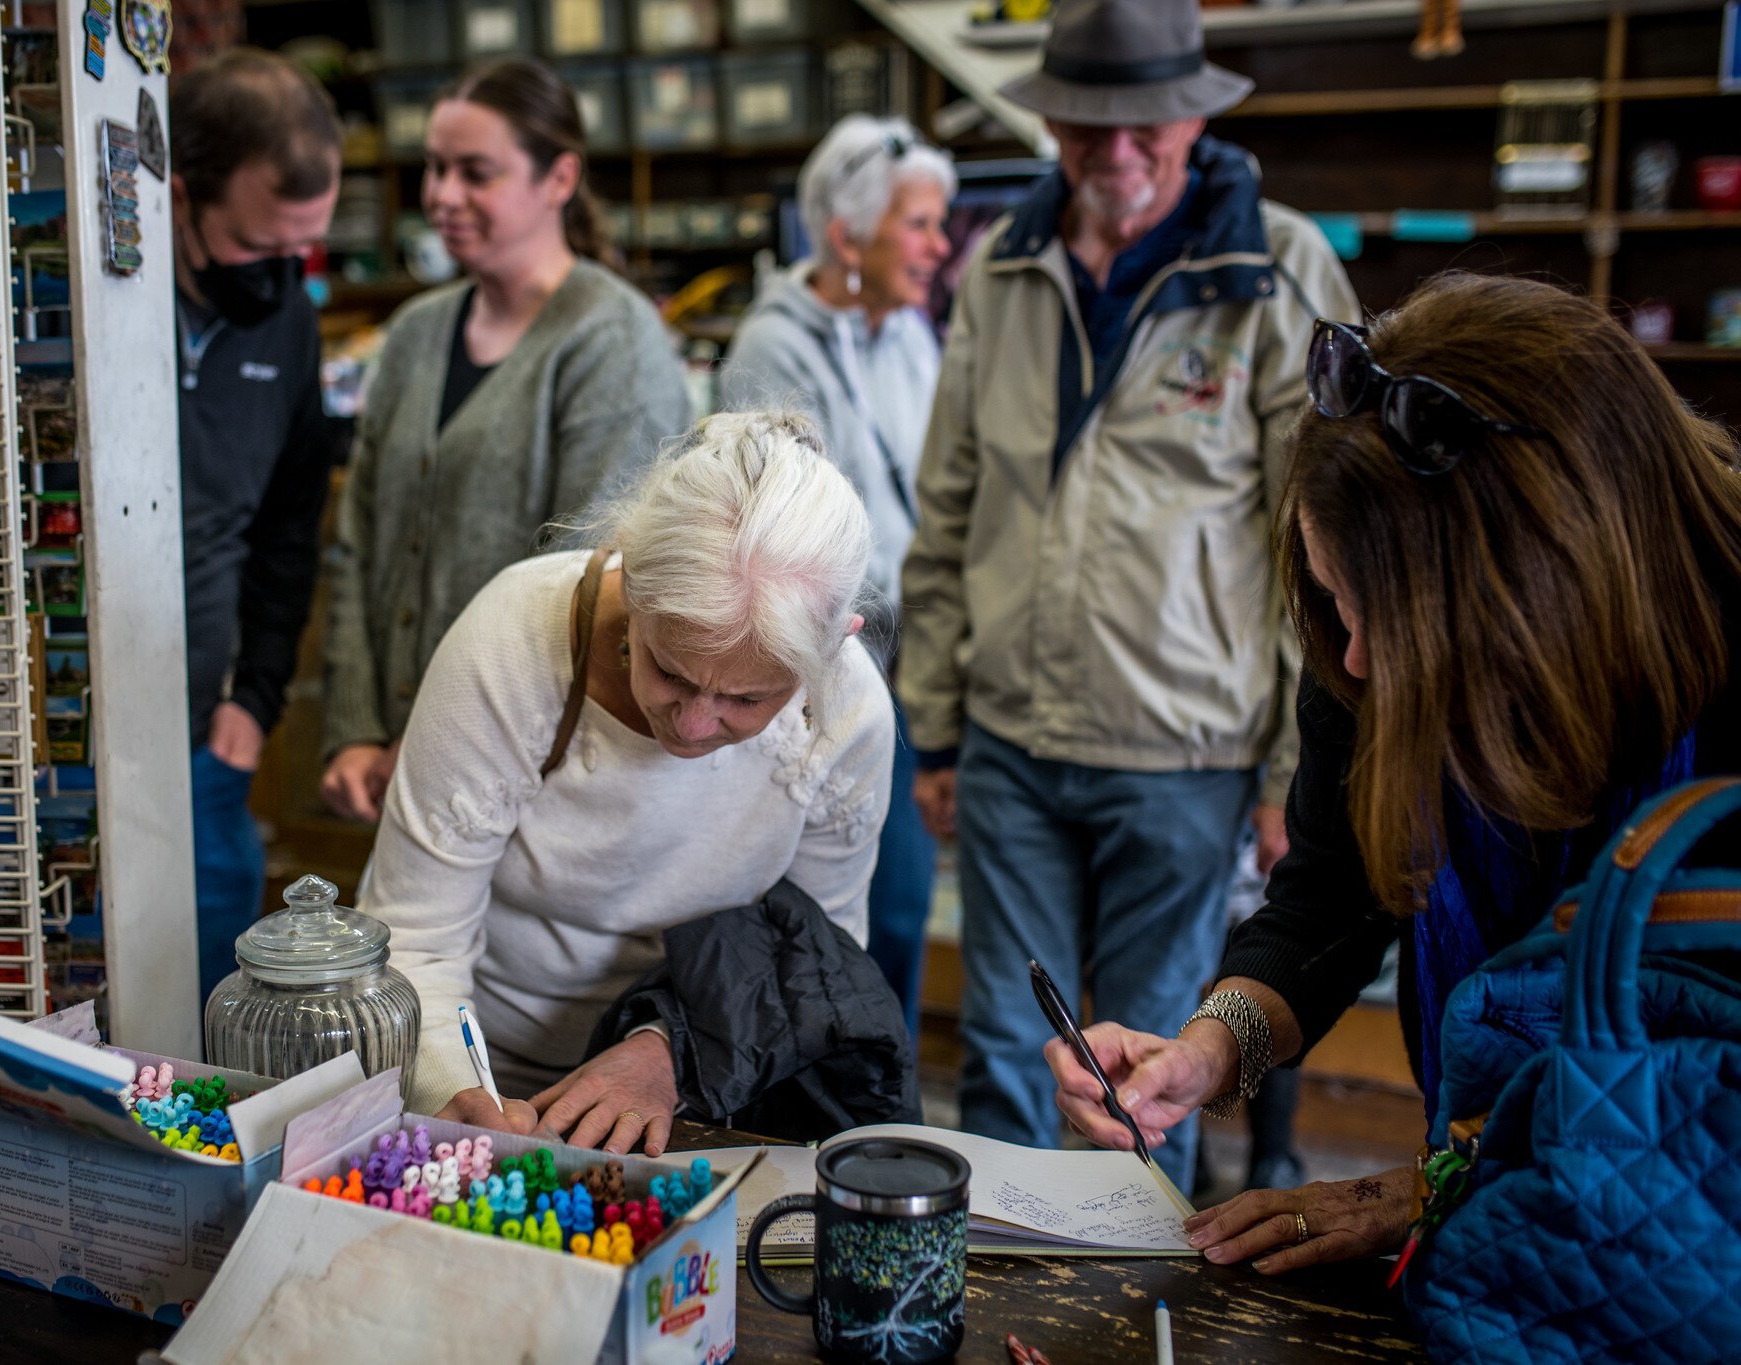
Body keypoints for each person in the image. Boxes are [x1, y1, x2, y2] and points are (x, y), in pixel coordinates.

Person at [1050, 272, 1741, 1273]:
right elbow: (1333, 895)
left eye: (1388, 623)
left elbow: (1697, 1119)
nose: (1358, 662)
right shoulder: (1364, 636)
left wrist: (1424, 1190)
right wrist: (1206, 1050)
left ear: (1546, 587)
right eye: (1336, 604)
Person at [896, 0, 1358, 1187]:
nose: (1115, 153)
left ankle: (1135, 1306)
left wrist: (1289, 779)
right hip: (1008, 740)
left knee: (1149, 1070)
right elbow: (945, 510)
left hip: (1185, 757)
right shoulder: (999, 265)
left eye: (1143, 124)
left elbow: (1330, 547)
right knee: (1001, 1046)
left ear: (1193, 112)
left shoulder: (1281, 268)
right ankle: (985, 1276)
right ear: (1048, 117)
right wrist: (933, 726)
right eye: (1086, 126)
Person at [356, 410, 894, 1155]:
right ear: (630, 583)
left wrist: (670, 1051)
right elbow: (414, 934)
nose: (696, 725)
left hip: (716, 1089)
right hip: (493, 1069)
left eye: (748, 699)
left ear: (833, 649)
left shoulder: (849, 711)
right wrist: (455, 1092)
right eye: (670, 671)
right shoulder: (516, 640)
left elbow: (820, 962)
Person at [321, 59, 693, 824]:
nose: (440, 196)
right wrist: (354, 728)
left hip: (534, 780)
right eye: (434, 167)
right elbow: (358, 542)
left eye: (475, 172)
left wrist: (444, 742)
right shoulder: (416, 333)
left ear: (559, 178)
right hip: (393, 768)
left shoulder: (611, 338)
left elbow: (585, 578)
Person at [719, 114, 957, 1042]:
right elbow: (781, 536)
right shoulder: (773, 348)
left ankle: (876, 1084)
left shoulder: (913, 337)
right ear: (850, 235)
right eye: (922, 224)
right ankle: (843, 1097)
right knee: (843, 911)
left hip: (910, 655)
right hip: (824, 664)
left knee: (898, 908)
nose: (941, 246)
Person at [171, 50, 341, 994]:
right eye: (255, 244)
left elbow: (289, 522)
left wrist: (260, 694)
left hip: (207, 725)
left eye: (300, 251)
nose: (277, 275)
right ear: (180, 196)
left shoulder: (288, 323)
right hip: (56, 731)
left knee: (204, 985)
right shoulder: (90, 303)